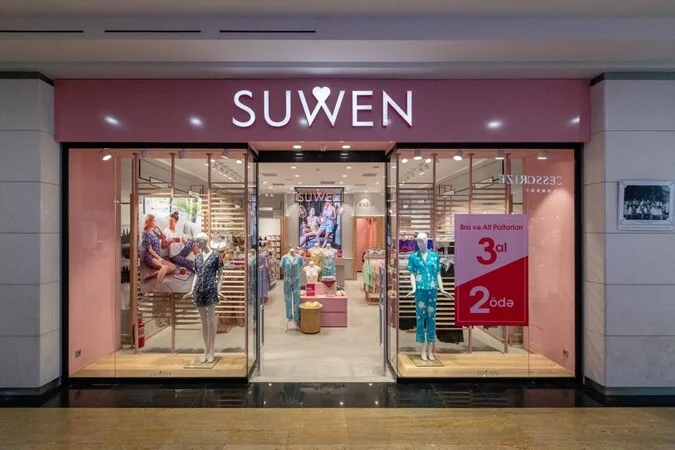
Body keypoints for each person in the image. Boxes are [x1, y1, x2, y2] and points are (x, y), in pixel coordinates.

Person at [141, 214, 176, 289]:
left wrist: (159, 228)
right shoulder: (145, 233)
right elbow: (150, 249)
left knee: (173, 267)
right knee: (165, 267)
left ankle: (149, 276)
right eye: (154, 221)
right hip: (150, 257)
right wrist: (159, 258)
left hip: (157, 256)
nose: (155, 223)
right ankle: (156, 288)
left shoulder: (154, 231)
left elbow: (163, 237)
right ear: (149, 222)